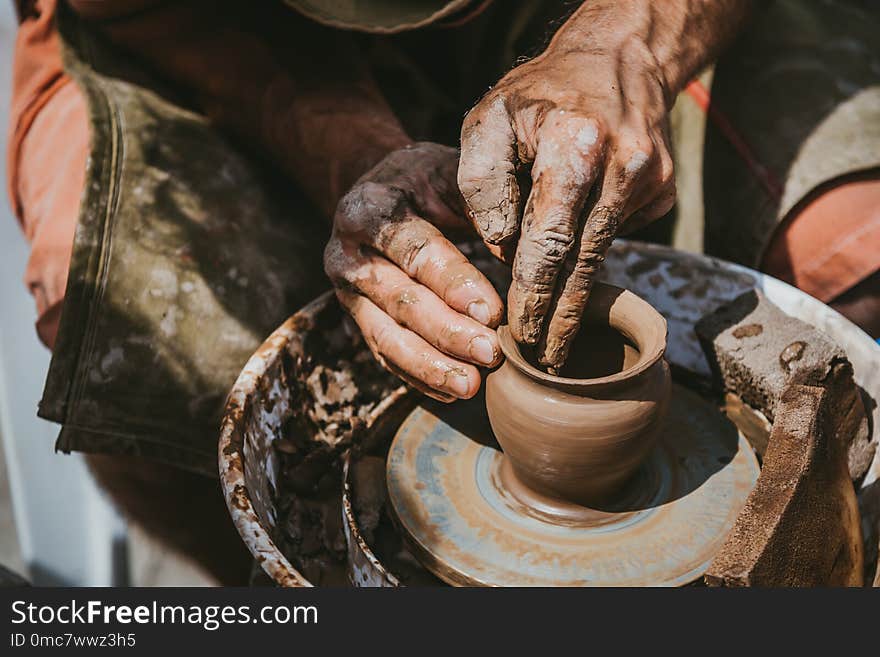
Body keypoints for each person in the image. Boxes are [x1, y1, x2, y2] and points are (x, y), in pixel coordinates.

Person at [7, 0, 878, 582]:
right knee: (133, 330)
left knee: (854, 261)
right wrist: (343, 153)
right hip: (230, 22)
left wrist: (632, 42)